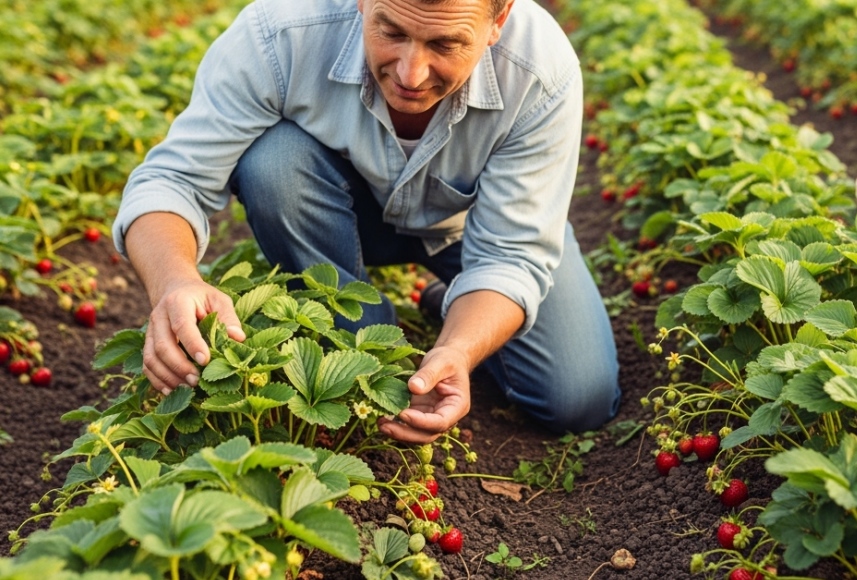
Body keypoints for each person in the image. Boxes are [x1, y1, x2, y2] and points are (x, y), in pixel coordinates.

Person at [112, 0, 620, 444]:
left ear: (499, 18)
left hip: (469, 228)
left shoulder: (538, 69)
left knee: (578, 397)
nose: (411, 72)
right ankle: (366, 341)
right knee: (272, 164)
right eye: (392, 32)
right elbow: (172, 180)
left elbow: (513, 253)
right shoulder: (280, 33)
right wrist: (175, 280)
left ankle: (452, 306)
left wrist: (460, 350)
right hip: (335, 214)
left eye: (445, 43)